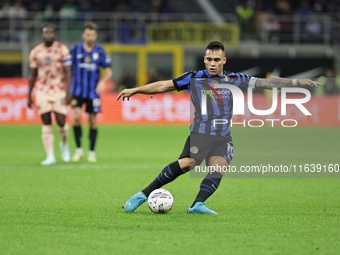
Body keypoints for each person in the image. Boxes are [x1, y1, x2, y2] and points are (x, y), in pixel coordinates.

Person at [117, 41, 321, 214]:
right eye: (209, 59)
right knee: (188, 164)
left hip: (223, 136)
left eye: (216, 60)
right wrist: (135, 90)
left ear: (224, 61)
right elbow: (162, 85)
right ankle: (143, 194)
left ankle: (197, 204)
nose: (212, 63)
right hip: (200, 134)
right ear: (205, 60)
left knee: (219, 167)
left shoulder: (236, 79)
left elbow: (268, 83)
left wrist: (297, 81)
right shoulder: (194, 77)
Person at [27, 23, 72, 165]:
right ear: (42, 34)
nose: (48, 35)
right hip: (42, 91)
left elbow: (68, 72)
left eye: (51, 32)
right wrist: (29, 95)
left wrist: (68, 91)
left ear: (55, 34)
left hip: (58, 90)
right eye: (46, 32)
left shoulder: (62, 49)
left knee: (61, 121)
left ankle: (64, 144)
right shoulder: (35, 51)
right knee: (46, 121)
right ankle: (50, 156)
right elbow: (33, 74)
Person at [70, 22, 112, 163]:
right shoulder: (75, 50)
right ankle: (78, 150)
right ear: (83, 35)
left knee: (93, 122)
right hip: (77, 90)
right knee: (76, 118)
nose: (90, 37)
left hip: (93, 93)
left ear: (96, 35)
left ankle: (92, 152)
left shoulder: (100, 52)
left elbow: (108, 72)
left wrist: (102, 81)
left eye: (92, 34)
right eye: (88, 34)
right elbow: (67, 69)